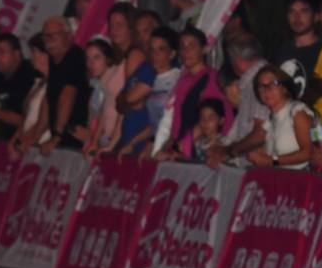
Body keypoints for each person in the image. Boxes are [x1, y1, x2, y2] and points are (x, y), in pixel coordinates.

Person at [153, 27, 226, 157]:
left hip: (201, 152)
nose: (186, 51)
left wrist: (176, 149)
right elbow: (176, 126)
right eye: (182, 47)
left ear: (203, 49)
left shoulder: (211, 79)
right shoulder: (183, 79)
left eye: (192, 46)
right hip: (179, 150)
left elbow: (207, 122)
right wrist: (164, 148)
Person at [113, 26, 179, 157]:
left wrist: (156, 146)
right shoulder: (155, 80)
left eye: (161, 49)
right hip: (150, 146)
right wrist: (131, 144)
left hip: (165, 150)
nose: (155, 54)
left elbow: (172, 122)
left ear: (172, 53)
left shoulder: (178, 79)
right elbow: (154, 125)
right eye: (152, 49)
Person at [206, 35, 268, 165]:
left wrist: (228, 152)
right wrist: (220, 147)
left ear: (238, 61)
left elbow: (261, 133)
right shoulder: (249, 85)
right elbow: (240, 129)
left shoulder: (262, 81)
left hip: (260, 169)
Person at [247, 65, 315, 170]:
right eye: (262, 86)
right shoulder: (271, 119)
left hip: (302, 178)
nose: (266, 90)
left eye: (273, 84)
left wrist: (270, 161)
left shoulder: (297, 112)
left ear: (284, 88)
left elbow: (309, 153)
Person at [39, 16, 90, 152]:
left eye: (53, 35)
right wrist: (34, 135)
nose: (48, 40)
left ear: (68, 36)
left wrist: (57, 136)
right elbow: (49, 100)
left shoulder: (75, 57)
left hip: (76, 137)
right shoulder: (53, 59)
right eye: (45, 36)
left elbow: (68, 94)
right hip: (62, 137)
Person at [8, 34, 51, 157]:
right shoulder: (38, 83)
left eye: (34, 52)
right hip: (28, 146)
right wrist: (15, 140)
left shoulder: (58, 84)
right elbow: (26, 119)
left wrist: (28, 140)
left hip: (40, 146)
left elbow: (47, 118)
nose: (31, 57)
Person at [274, 0, 322, 83]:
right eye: (292, 12)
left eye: (304, 11)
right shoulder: (282, 48)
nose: (297, 17)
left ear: (316, 16)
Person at [77, 38, 116, 153]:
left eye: (97, 57)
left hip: (109, 145)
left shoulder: (114, 84)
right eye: (88, 59)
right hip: (97, 145)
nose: (91, 63)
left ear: (108, 59)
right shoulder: (95, 86)